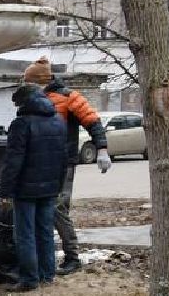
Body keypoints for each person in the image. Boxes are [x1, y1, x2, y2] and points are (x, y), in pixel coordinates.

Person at [23, 55, 109, 274]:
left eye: (29, 81)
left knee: (57, 207)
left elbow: (93, 121)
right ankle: (45, 258)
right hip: (39, 162)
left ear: (41, 80)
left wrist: (102, 149)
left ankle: (72, 257)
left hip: (63, 161)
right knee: (43, 208)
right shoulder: (32, 97)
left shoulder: (69, 97)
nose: (26, 84)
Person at [0, 84, 69, 292]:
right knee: (45, 231)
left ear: (23, 102)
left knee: (25, 234)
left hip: (25, 189)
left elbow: (13, 161)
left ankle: (29, 279)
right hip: (49, 187)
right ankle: (47, 275)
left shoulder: (21, 124)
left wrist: (5, 191)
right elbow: (63, 158)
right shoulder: (58, 121)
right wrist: (58, 186)